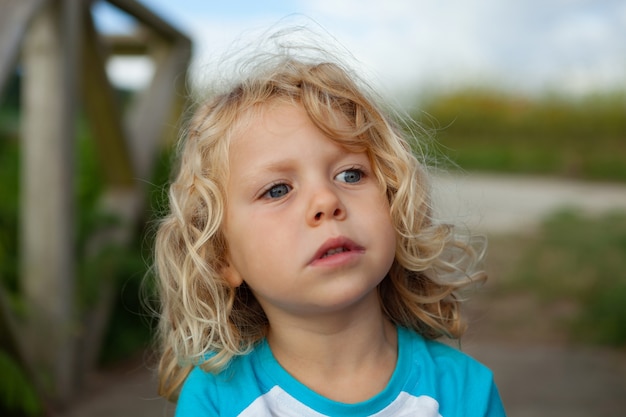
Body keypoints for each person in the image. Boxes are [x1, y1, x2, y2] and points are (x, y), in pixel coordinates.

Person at [153, 28, 506, 416]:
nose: (326, 201)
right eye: (277, 190)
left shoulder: (463, 391)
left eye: (350, 175)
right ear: (223, 258)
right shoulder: (216, 401)